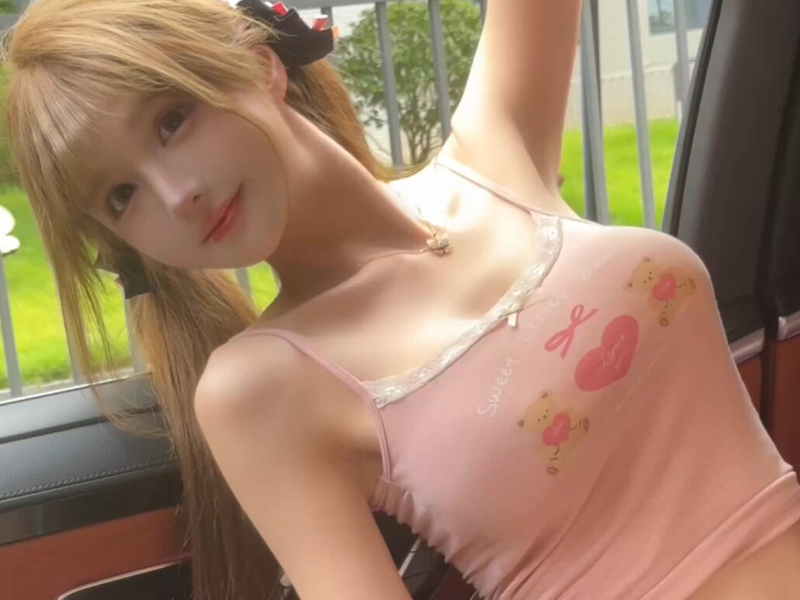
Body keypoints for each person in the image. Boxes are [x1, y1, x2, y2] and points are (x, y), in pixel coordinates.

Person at [3, 0, 800, 599]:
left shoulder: (495, 152)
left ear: (258, 62)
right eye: (121, 196)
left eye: (172, 119)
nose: (175, 196)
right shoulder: (260, 389)